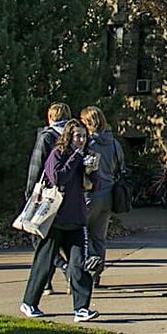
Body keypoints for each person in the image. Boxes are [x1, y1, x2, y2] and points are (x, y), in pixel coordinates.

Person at [19, 119, 99, 322]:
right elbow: (58, 178)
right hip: (54, 219)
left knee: (78, 264)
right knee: (44, 264)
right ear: (68, 137)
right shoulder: (57, 154)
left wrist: (92, 172)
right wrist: (75, 158)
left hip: (77, 219)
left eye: (84, 136)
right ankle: (29, 302)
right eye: (77, 136)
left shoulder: (86, 157)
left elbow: (92, 186)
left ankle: (81, 308)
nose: (82, 140)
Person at [81, 106, 124, 282]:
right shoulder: (114, 143)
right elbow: (121, 167)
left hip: (89, 194)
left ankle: (81, 274)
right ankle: (96, 273)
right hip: (108, 194)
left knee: (81, 236)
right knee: (99, 237)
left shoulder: (89, 144)